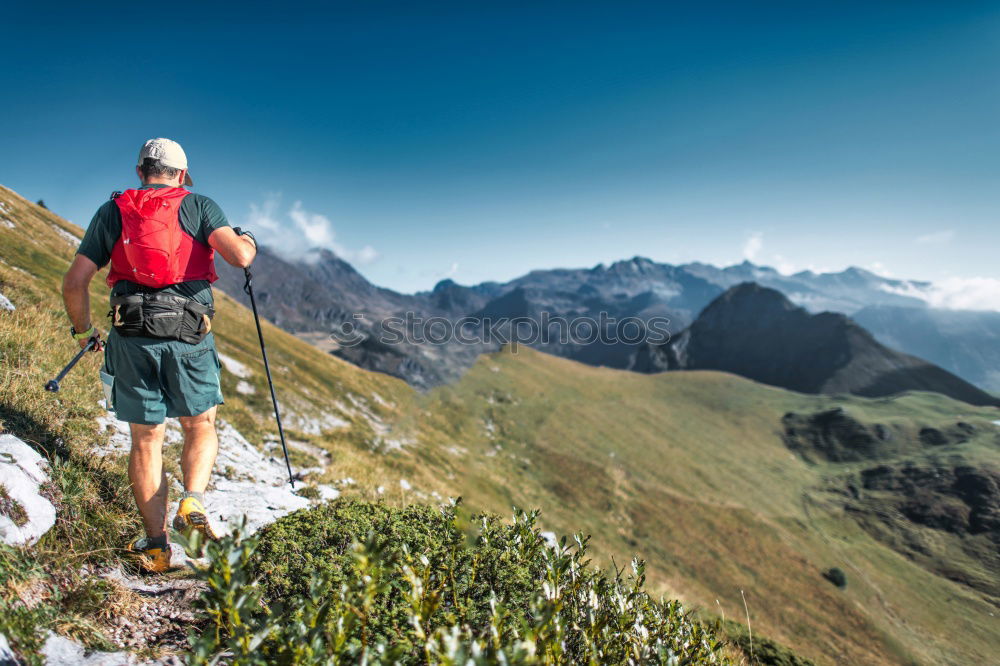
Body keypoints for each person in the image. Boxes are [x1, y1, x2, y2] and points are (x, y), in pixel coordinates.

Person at [61, 138, 258, 573]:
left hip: (130, 335)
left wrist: (83, 333)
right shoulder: (199, 206)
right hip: (189, 334)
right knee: (199, 424)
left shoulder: (113, 211)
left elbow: (74, 282)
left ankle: (155, 547)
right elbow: (240, 256)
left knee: (146, 440)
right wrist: (247, 238)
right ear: (182, 176)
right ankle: (193, 501)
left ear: (140, 171)